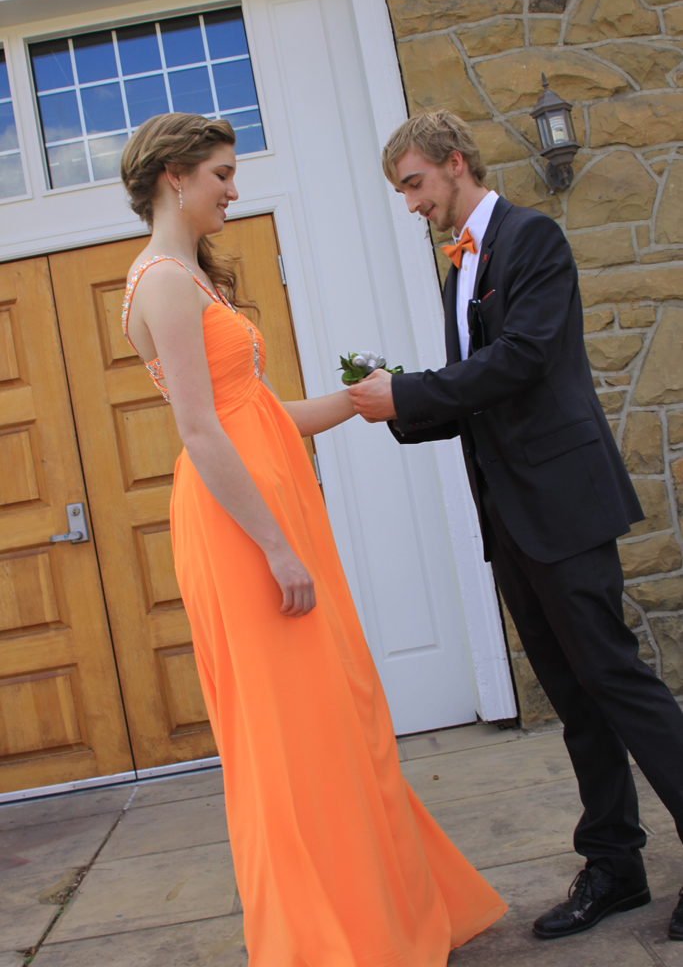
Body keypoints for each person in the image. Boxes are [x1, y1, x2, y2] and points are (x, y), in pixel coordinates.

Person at [118, 111, 505, 967]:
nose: (233, 190)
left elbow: (259, 413)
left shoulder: (195, 277)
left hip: (272, 507)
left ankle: (377, 914)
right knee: (290, 731)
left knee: (335, 710)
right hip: (241, 528)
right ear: (174, 176)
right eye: (221, 174)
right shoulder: (163, 283)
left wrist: (366, 399)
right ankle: (326, 939)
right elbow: (201, 431)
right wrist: (274, 547)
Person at [349, 109, 683, 943]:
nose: (411, 204)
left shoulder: (531, 239)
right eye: (402, 191)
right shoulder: (457, 269)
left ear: (455, 163)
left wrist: (409, 394)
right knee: (572, 698)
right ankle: (614, 865)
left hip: (562, 504)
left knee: (616, 682)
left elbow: (524, 359)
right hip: (509, 519)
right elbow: (479, 387)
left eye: (414, 184)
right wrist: (393, 407)